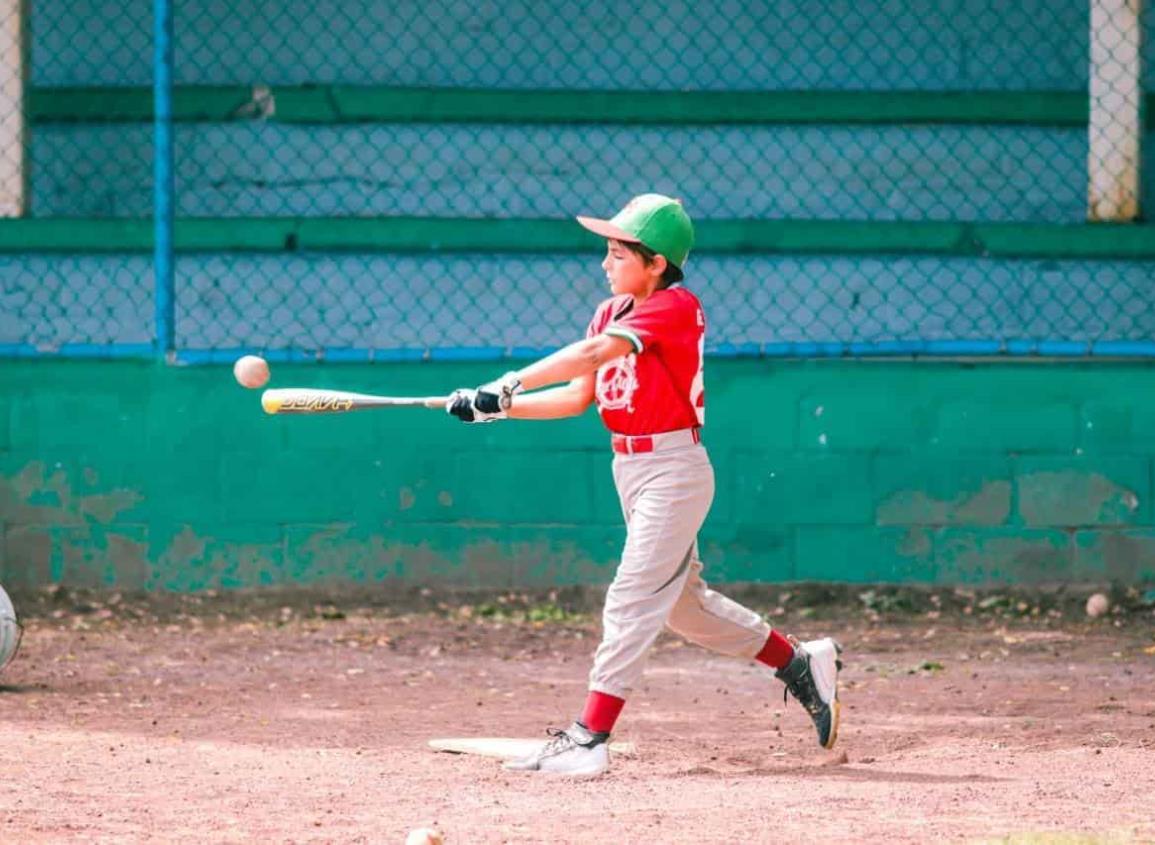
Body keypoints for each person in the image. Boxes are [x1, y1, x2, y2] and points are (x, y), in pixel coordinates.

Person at [445, 193, 842, 777]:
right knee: (684, 609)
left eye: (617, 253)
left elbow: (591, 355)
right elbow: (578, 395)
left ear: (656, 262)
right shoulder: (610, 310)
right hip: (628, 468)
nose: (605, 264)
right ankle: (799, 664)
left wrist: (505, 383)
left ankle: (589, 737)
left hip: (673, 471)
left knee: (632, 595)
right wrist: (499, 409)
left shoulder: (675, 306)